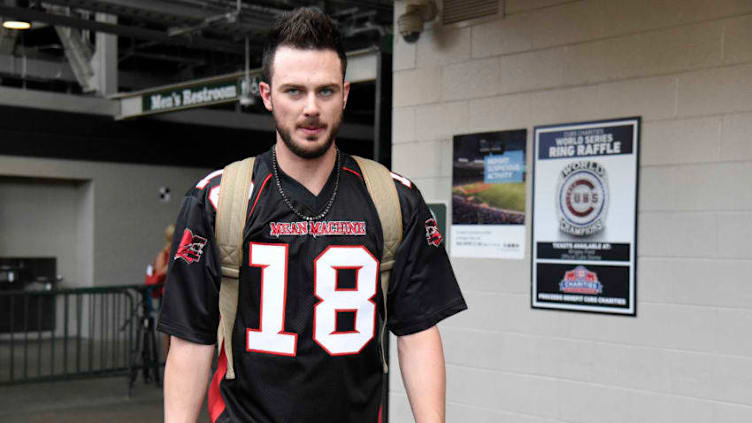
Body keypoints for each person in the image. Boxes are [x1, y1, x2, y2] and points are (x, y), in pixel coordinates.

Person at [158, 7, 466, 423]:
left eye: (325, 91)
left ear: (345, 93)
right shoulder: (217, 200)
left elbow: (418, 333)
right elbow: (191, 342)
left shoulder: (393, 199)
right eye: (294, 91)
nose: (311, 108)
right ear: (266, 94)